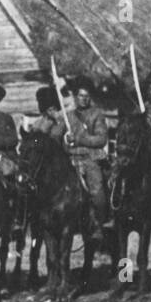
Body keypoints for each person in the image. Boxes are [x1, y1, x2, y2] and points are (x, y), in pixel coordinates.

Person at [61, 76, 110, 227]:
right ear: (75, 97)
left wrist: (80, 139)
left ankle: (100, 223)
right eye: (81, 96)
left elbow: (101, 139)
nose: (84, 99)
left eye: (87, 96)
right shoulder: (68, 116)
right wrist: (66, 139)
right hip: (71, 159)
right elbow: (61, 141)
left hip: (90, 159)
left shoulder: (97, 114)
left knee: (96, 192)